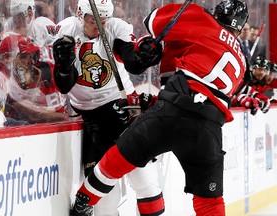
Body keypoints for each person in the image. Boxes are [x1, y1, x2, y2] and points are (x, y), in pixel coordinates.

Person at [68, 0, 249, 215]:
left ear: (216, 14)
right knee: (210, 202)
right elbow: (207, 86)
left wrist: (148, 46)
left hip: (170, 112)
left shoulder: (204, 21)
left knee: (119, 157)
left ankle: (83, 200)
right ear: (240, 28)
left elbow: (153, 20)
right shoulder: (242, 60)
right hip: (209, 128)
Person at [53, 0, 164, 215]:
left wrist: (143, 58)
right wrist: (64, 66)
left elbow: (131, 61)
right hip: (92, 118)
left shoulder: (116, 28)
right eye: (92, 19)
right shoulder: (66, 31)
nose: (98, 25)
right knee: (103, 197)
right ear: (79, 14)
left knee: (144, 179)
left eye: (103, 20)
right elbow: (64, 86)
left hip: (121, 107)